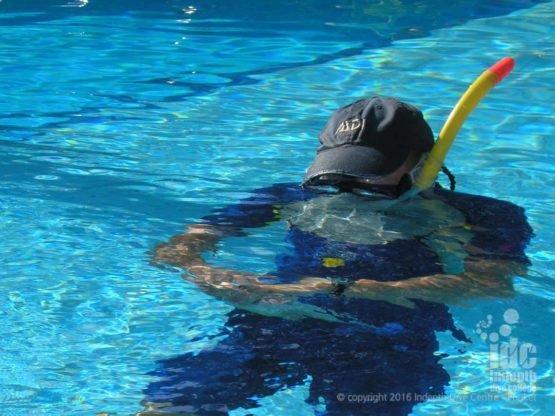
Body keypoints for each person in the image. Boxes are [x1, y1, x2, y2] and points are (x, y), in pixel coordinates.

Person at [142, 97, 532, 415]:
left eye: (366, 173)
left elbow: (489, 285)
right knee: (175, 401)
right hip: (278, 318)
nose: (347, 186)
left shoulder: (482, 217)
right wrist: (207, 273)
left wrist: (345, 288)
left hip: (387, 338)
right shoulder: (288, 197)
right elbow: (175, 248)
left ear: (419, 160)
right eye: (337, 173)